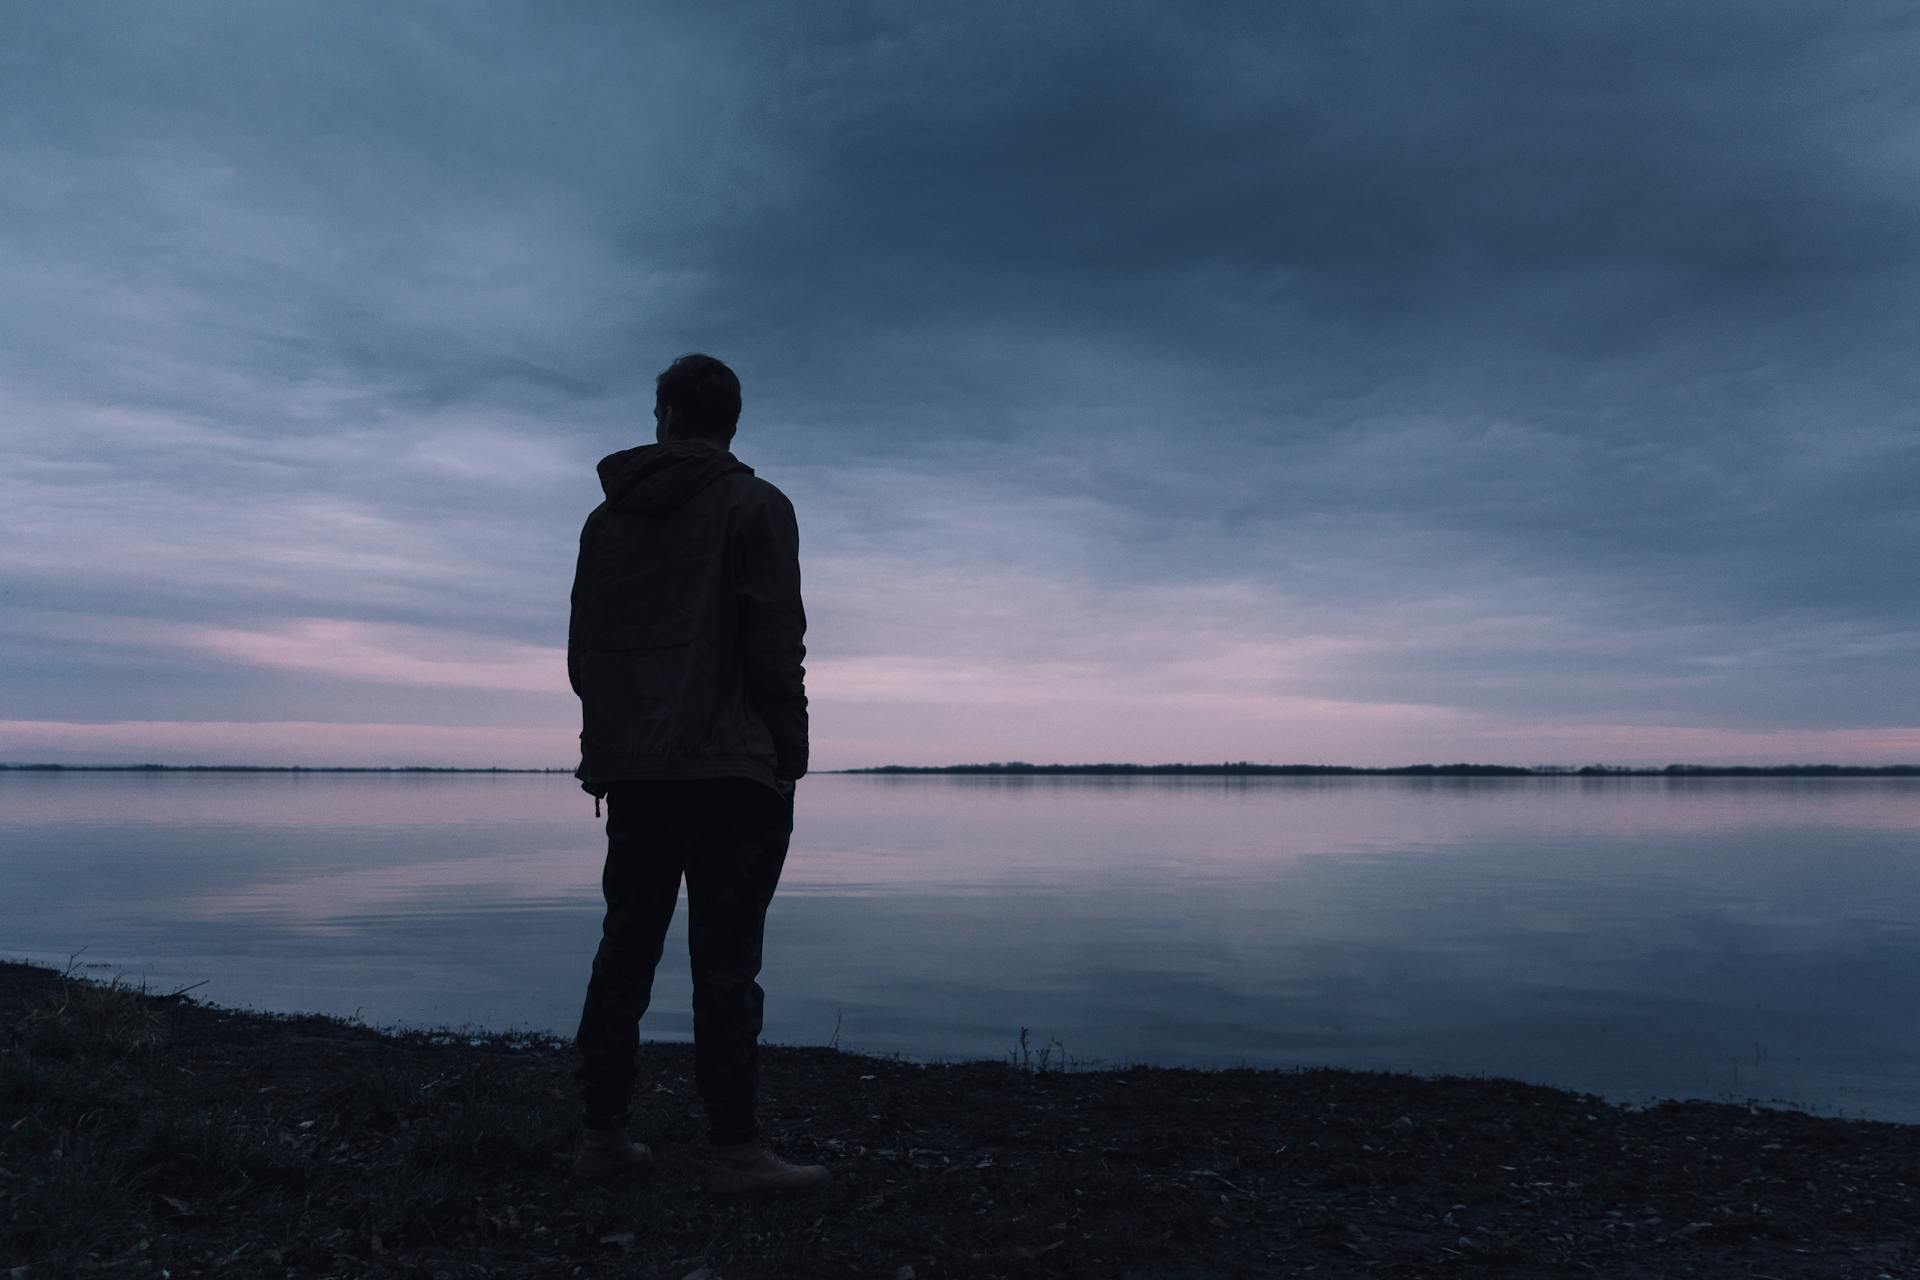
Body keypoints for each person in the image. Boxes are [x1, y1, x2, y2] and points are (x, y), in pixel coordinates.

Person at [567, 352, 826, 1193]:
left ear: (666, 418)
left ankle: (600, 1136)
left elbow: (585, 658)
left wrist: (608, 751)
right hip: (731, 773)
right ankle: (734, 1149)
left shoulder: (606, 525)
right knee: (726, 964)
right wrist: (791, 753)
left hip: (638, 772)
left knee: (624, 950)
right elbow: (774, 643)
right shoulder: (757, 505)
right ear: (730, 422)